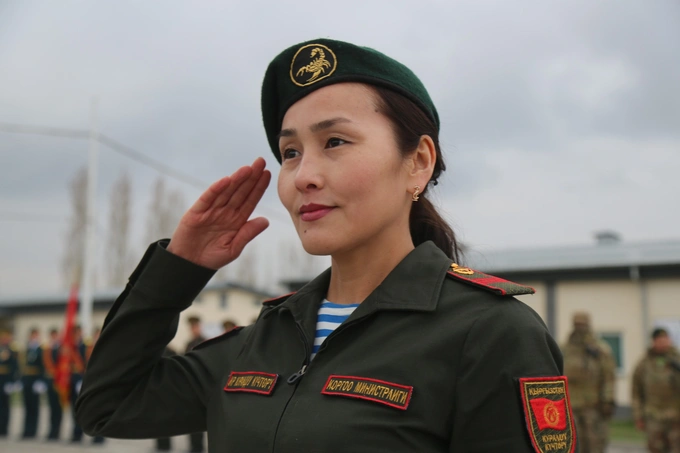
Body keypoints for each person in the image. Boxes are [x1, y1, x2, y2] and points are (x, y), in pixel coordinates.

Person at [75, 38, 576, 452]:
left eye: (335, 141)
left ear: (418, 162)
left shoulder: (488, 334)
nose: (303, 176)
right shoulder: (266, 338)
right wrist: (178, 269)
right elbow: (107, 405)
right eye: (290, 152)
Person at [562, 312, 616, 453]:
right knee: (573, 444)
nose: (580, 328)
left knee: (595, 444)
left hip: (594, 406)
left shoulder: (599, 349)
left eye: (582, 325)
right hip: (571, 406)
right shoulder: (565, 349)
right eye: (577, 324)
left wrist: (607, 400)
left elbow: (608, 376)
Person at [632, 328, 680, 453]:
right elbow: (636, 392)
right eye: (660, 341)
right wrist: (638, 416)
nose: (663, 343)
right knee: (655, 448)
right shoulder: (644, 364)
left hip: (676, 417)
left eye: (666, 340)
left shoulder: (677, 360)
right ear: (654, 342)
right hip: (653, 417)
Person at [184, 316, 206, 453]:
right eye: (191, 327)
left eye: (195, 326)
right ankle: (193, 446)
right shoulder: (189, 343)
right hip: (190, 383)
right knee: (190, 417)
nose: (193, 329)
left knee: (199, 418)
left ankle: (198, 447)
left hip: (201, 384)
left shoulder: (205, 341)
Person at [21, 327, 46, 439]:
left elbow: (43, 366)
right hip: (27, 379)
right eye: (32, 335)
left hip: (36, 379)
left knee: (34, 407)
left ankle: (33, 430)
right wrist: (21, 380)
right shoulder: (27, 349)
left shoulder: (41, 350)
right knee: (27, 406)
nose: (33, 337)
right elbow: (22, 365)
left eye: (35, 335)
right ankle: (26, 430)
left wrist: (41, 380)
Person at [42, 327, 63, 441]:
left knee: (58, 408)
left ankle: (57, 431)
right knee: (51, 407)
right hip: (50, 380)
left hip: (60, 381)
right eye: (52, 335)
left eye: (55, 335)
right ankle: (51, 431)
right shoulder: (47, 349)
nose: (54, 337)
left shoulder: (61, 349)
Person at [0, 329, 19, 438]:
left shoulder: (12, 351)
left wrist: (12, 382)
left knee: (5, 406)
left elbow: (14, 367)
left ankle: (4, 429)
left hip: (6, 380)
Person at [69, 325, 87, 443]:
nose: (77, 335)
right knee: (73, 409)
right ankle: (75, 433)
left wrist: (82, 379)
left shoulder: (85, 346)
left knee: (81, 409)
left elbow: (87, 363)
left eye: (79, 333)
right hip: (71, 379)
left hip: (81, 379)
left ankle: (80, 433)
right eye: (75, 333)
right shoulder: (70, 347)